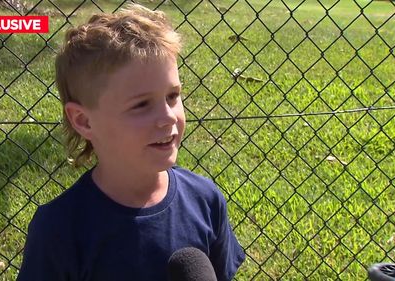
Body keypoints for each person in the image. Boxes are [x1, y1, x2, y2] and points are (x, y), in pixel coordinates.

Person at [17, 4, 245, 281]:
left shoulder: (206, 201)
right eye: (141, 105)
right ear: (84, 121)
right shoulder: (59, 229)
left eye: (172, 96)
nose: (167, 117)